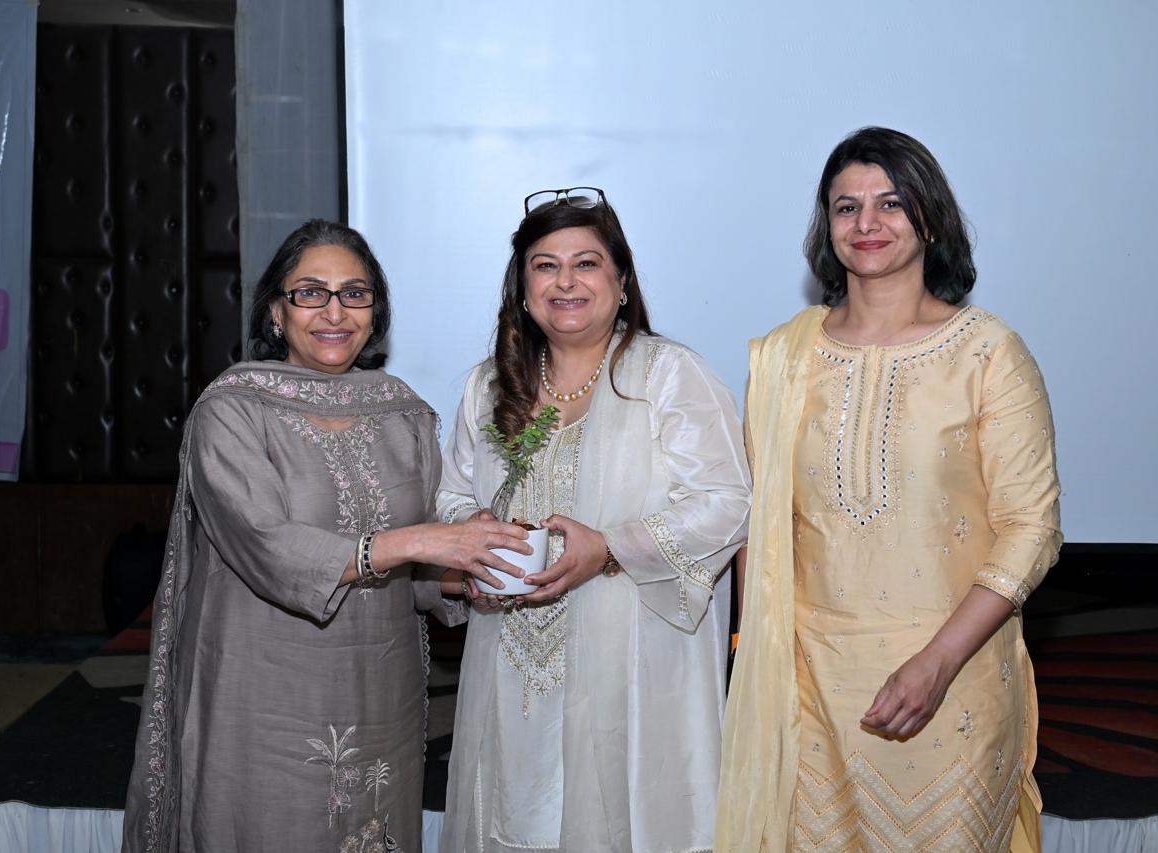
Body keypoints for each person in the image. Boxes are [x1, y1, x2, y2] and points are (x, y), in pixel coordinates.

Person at [121, 219, 531, 853]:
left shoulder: (403, 411)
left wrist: (479, 568)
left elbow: (421, 577)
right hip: (262, 694)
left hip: (382, 696)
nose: (334, 312)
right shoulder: (232, 409)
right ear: (276, 311)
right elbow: (267, 546)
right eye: (310, 292)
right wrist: (425, 541)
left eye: (354, 293)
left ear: (375, 311)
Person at [717, 128, 1061, 852]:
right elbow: (761, 526)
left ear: (929, 218)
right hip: (810, 691)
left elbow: (1032, 528)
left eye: (891, 203)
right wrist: (749, 651)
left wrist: (938, 662)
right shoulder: (784, 357)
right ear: (826, 226)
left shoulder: (988, 352)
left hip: (956, 685)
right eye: (846, 207)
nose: (866, 223)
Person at [438, 188, 751, 853]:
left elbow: (727, 503)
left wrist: (609, 548)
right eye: (545, 266)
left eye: (586, 263)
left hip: (635, 670)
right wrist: (478, 545)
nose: (566, 282)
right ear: (523, 290)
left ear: (622, 282)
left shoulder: (669, 375)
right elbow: (452, 497)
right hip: (510, 668)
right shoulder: (489, 387)